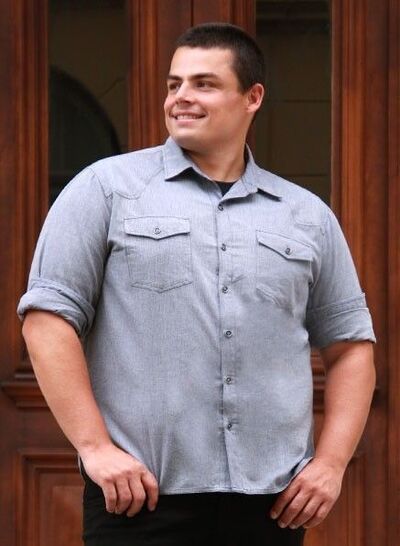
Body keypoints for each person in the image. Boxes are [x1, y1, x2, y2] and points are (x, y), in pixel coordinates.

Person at [17, 22, 376, 546]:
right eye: (174, 84)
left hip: (271, 508)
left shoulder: (306, 216)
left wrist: (331, 464)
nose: (181, 97)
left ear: (252, 97)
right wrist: (95, 449)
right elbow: (47, 321)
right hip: (139, 499)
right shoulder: (106, 190)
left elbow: (351, 348)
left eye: (204, 84)